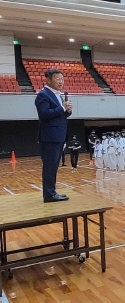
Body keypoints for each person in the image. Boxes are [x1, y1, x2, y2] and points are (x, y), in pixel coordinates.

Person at [34, 68, 72, 203]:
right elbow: (44, 113)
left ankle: (52, 192)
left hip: (59, 135)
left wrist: (67, 111)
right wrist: (62, 108)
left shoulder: (57, 94)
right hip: (50, 136)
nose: (61, 81)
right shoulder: (43, 95)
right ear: (48, 80)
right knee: (50, 166)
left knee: (54, 166)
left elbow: (60, 114)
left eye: (62, 79)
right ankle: (49, 194)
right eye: (57, 79)